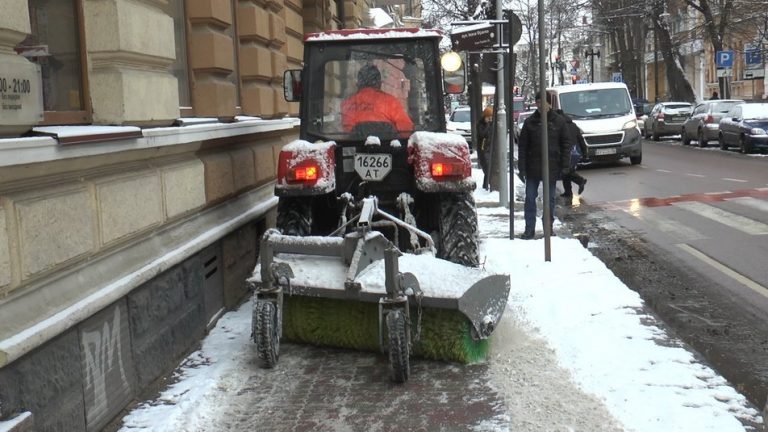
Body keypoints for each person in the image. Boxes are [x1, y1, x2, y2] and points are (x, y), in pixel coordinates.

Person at [517, 92, 573, 240]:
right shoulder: (530, 122)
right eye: (538, 102)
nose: (540, 105)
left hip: (552, 167)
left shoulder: (559, 122)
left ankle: (548, 228)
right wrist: (521, 168)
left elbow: (566, 144)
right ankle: (529, 229)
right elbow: (522, 146)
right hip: (532, 167)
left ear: (549, 104)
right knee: (530, 198)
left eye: (543, 102)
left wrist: (565, 165)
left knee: (549, 200)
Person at [341, 64, 414, 134]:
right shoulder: (390, 102)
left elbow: (346, 132)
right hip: (387, 145)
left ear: (359, 83)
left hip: (356, 146)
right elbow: (406, 128)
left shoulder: (348, 103)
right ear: (379, 83)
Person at [557, 109, 588, 199]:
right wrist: (585, 152)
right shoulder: (573, 125)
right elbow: (581, 139)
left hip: (565, 151)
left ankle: (580, 181)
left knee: (566, 170)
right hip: (575, 151)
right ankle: (568, 192)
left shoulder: (560, 125)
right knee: (566, 171)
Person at [476, 106, 494, 190]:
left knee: (489, 169)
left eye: (490, 117)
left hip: (489, 149)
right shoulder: (480, 124)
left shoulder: (491, 124)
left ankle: (486, 185)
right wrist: (487, 125)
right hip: (482, 150)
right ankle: (485, 186)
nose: (489, 119)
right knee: (486, 169)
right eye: (488, 117)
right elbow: (482, 134)